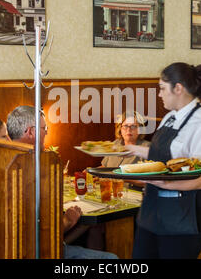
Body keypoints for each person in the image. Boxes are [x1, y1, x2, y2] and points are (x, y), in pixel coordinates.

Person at [125, 62, 201, 259]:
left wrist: (163, 183)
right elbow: (162, 157)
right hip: (153, 212)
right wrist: (126, 149)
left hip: (184, 215)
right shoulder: (170, 117)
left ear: (178, 88)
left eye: (162, 88)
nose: (159, 94)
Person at [6, 105, 118, 259]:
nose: (46, 132)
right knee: (112, 259)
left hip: (19, 247)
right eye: (44, 128)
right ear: (31, 131)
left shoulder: (5, 158)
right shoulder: (30, 165)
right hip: (35, 251)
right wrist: (67, 221)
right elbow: (37, 230)